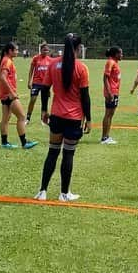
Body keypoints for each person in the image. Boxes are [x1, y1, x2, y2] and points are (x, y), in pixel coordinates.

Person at [34, 34, 91, 202]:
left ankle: (42, 191)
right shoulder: (81, 68)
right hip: (73, 118)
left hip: (56, 116)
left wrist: (44, 110)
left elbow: (44, 89)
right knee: (68, 155)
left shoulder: (52, 64)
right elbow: (85, 96)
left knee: (52, 152)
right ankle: (64, 194)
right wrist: (89, 119)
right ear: (78, 48)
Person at [0, 42, 38, 149]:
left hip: (4, 94)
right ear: (10, 51)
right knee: (22, 116)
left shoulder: (6, 60)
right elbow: (3, 77)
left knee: (5, 118)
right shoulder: (7, 61)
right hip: (8, 95)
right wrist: (12, 92)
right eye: (16, 50)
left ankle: (4, 143)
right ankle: (24, 143)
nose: (17, 52)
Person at [26, 42, 53, 125]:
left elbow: (51, 74)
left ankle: (43, 120)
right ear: (41, 50)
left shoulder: (50, 60)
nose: (46, 52)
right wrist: (29, 81)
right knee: (33, 99)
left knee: (44, 102)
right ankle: (28, 118)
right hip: (36, 83)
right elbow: (31, 70)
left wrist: (50, 87)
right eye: (44, 50)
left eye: (47, 50)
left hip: (45, 84)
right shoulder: (36, 58)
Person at [101, 47, 123, 144]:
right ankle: (104, 138)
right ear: (115, 54)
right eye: (120, 53)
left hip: (115, 92)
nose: (122, 55)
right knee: (108, 114)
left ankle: (107, 136)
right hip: (111, 93)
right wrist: (109, 93)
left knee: (110, 115)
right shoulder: (110, 62)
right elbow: (105, 78)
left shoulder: (114, 62)